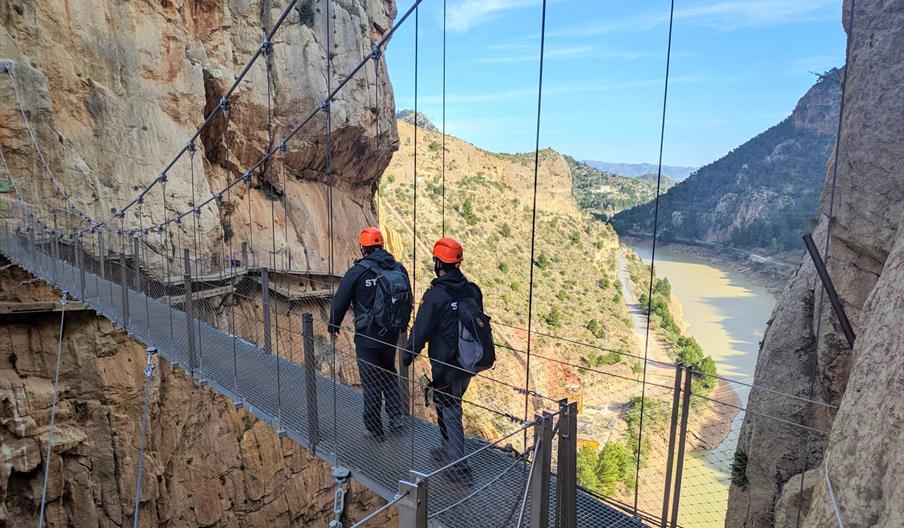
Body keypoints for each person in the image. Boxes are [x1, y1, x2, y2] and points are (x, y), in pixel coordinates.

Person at [403, 237, 482, 486]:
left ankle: (460, 470)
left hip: (445, 366)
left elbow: (421, 330)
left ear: (438, 262)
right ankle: (447, 451)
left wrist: (407, 356)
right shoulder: (472, 289)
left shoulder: (435, 295)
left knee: (450, 412)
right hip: (468, 363)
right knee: (448, 405)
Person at [329, 227, 413, 442]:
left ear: (363, 247)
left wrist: (333, 324)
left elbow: (341, 300)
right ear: (382, 245)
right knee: (389, 372)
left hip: (367, 336)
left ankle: (374, 428)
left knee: (371, 379)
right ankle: (395, 417)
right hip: (391, 333)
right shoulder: (398, 268)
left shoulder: (358, 271)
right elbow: (408, 299)